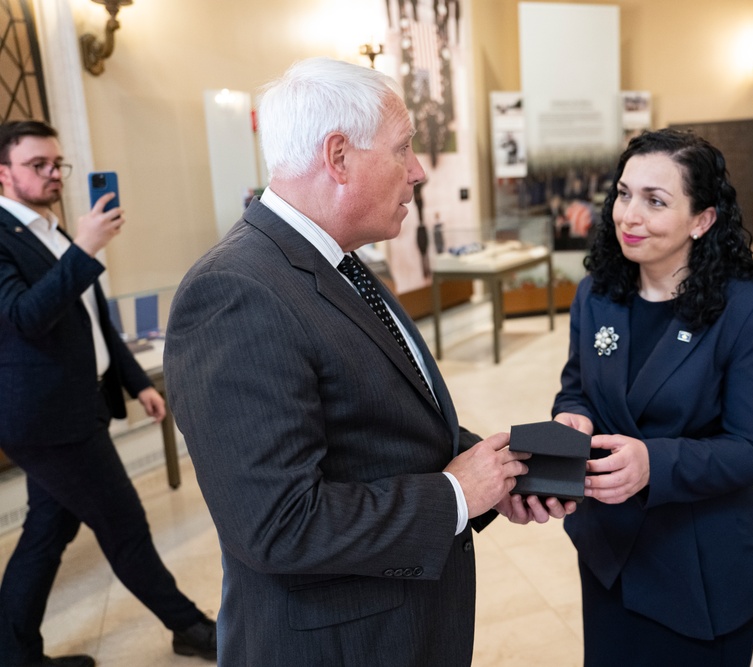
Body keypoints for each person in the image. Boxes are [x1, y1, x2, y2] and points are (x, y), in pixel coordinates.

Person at [163, 57, 571, 667]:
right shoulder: (236, 292)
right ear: (338, 156)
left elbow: (375, 422)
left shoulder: (337, 259)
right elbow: (278, 523)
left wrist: (495, 473)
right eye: (403, 149)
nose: (419, 171)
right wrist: (456, 493)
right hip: (337, 643)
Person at [552, 128, 753, 666]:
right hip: (609, 553)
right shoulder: (597, 292)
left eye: (655, 201)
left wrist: (651, 463)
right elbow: (577, 387)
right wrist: (573, 418)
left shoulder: (747, 308)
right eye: (624, 193)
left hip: (700, 564)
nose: (629, 215)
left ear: (701, 220)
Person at [0, 120, 217, 667]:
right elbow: (24, 319)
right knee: (124, 525)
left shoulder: (52, 232)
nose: (53, 174)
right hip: (47, 420)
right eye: (38, 165)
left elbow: (91, 320)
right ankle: (188, 626)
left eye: (57, 164)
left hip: (76, 406)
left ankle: (14, 653)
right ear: (4, 173)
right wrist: (86, 250)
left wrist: (136, 380)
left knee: (48, 530)